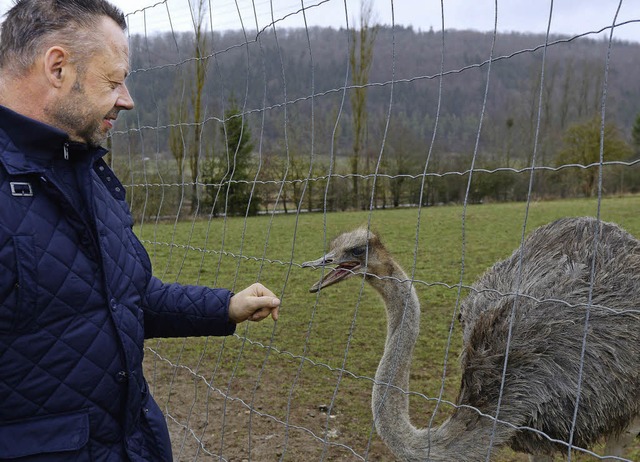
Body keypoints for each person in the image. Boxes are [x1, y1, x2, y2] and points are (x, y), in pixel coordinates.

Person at [0, 0, 280, 459]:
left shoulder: (89, 174)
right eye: (113, 80)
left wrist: (225, 307)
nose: (127, 98)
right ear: (57, 68)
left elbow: (123, 299)